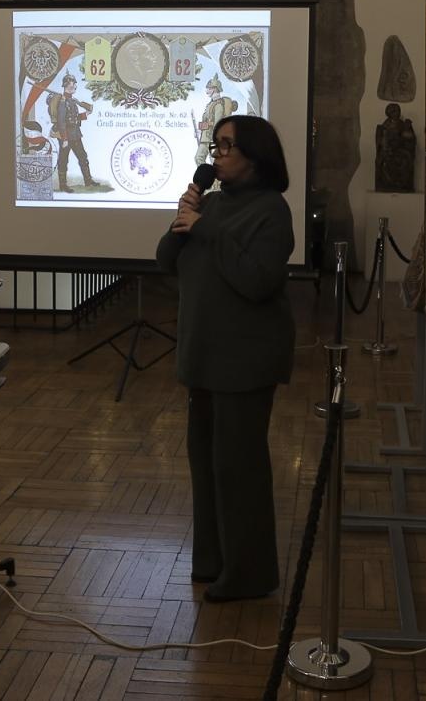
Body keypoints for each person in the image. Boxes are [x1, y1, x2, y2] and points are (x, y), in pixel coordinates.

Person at [157, 114, 295, 602]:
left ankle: (250, 573)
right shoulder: (210, 204)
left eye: (227, 146)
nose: (215, 154)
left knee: (239, 468)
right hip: (204, 354)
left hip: (245, 360)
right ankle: (211, 560)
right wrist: (184, 216)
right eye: (214, 145)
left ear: (255, 157)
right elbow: (165, 260)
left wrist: (208, 231)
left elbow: (256, 281)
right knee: (207, 464)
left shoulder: (271, 211)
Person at [48, 73, 94, 192]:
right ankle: (63, 185)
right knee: (63, 160)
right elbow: (62, 121)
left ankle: (88, 181)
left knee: (83, 157)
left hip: (75, 133)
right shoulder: (63, 101)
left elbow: (73, 117)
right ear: (65, 86)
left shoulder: (72, 101)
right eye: (70, 85)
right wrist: (64, 139)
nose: (73, 87)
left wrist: (85, 115)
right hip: (66, 135)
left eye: (74, 85)